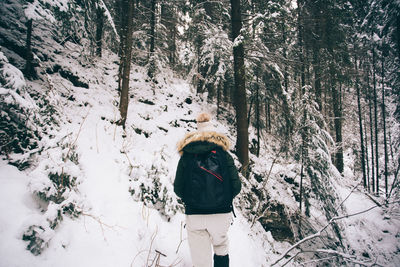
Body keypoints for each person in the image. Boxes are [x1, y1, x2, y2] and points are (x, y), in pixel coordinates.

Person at [174, 112, 242, 267]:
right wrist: (224, 198)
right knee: (221, 247)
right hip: (221, 213)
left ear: (197, 132)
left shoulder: (187, 155)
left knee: (201, 260)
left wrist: (190, 199)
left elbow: (178, 189)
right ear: (213, 132)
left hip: (195, 215)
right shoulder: (224, 155)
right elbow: (236, 186)